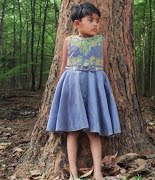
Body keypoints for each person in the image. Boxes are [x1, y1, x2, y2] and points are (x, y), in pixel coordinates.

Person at [46, 2, 121, 180]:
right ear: (77, 23)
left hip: (94, 88)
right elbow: (64, 67)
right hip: (73, 89)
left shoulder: (101, 41)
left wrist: (103, 89)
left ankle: (98, 172)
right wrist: (61, 92)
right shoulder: (69, 41)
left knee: (94, 131)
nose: (96, 24)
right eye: (90, 20)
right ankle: (73, 173)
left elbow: (103, 67)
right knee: (72, 131)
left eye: (97, 20)